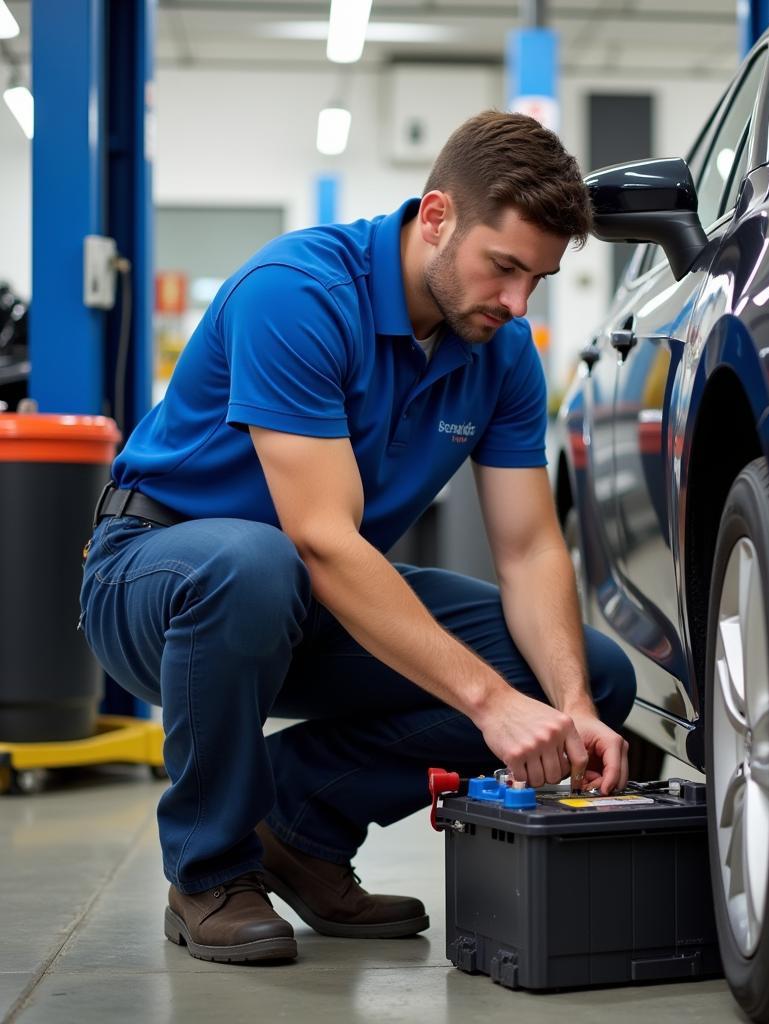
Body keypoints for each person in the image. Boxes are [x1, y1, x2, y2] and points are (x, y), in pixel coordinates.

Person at [79, 110, 636, 965]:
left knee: (590, 672)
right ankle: (208, 873)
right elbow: (321, 538)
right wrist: (489, 705)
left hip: (302, 597)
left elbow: (528, 549)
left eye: (540, 280)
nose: (518, 304)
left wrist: (570, 710)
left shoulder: (503, 352)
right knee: (254, 562)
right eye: (505, 269)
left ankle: (299, 822)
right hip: (156, 577)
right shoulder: (299, 292)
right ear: (438, 216)